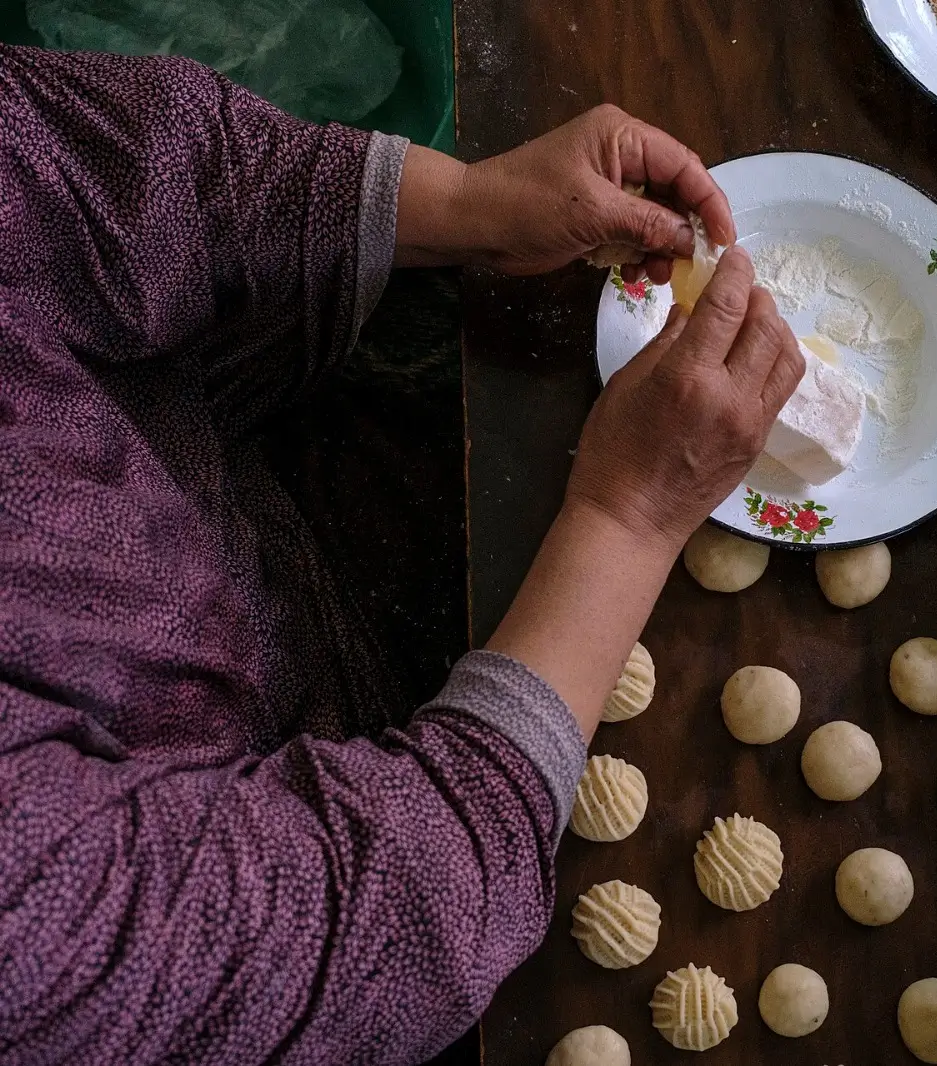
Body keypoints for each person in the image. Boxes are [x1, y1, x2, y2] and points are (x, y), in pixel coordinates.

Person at [0, 43, 803, 1066]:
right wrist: (626, 519)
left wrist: (466, 203)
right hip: (332, 787)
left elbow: (78, 166)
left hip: (234, 428)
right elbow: (370, 930)